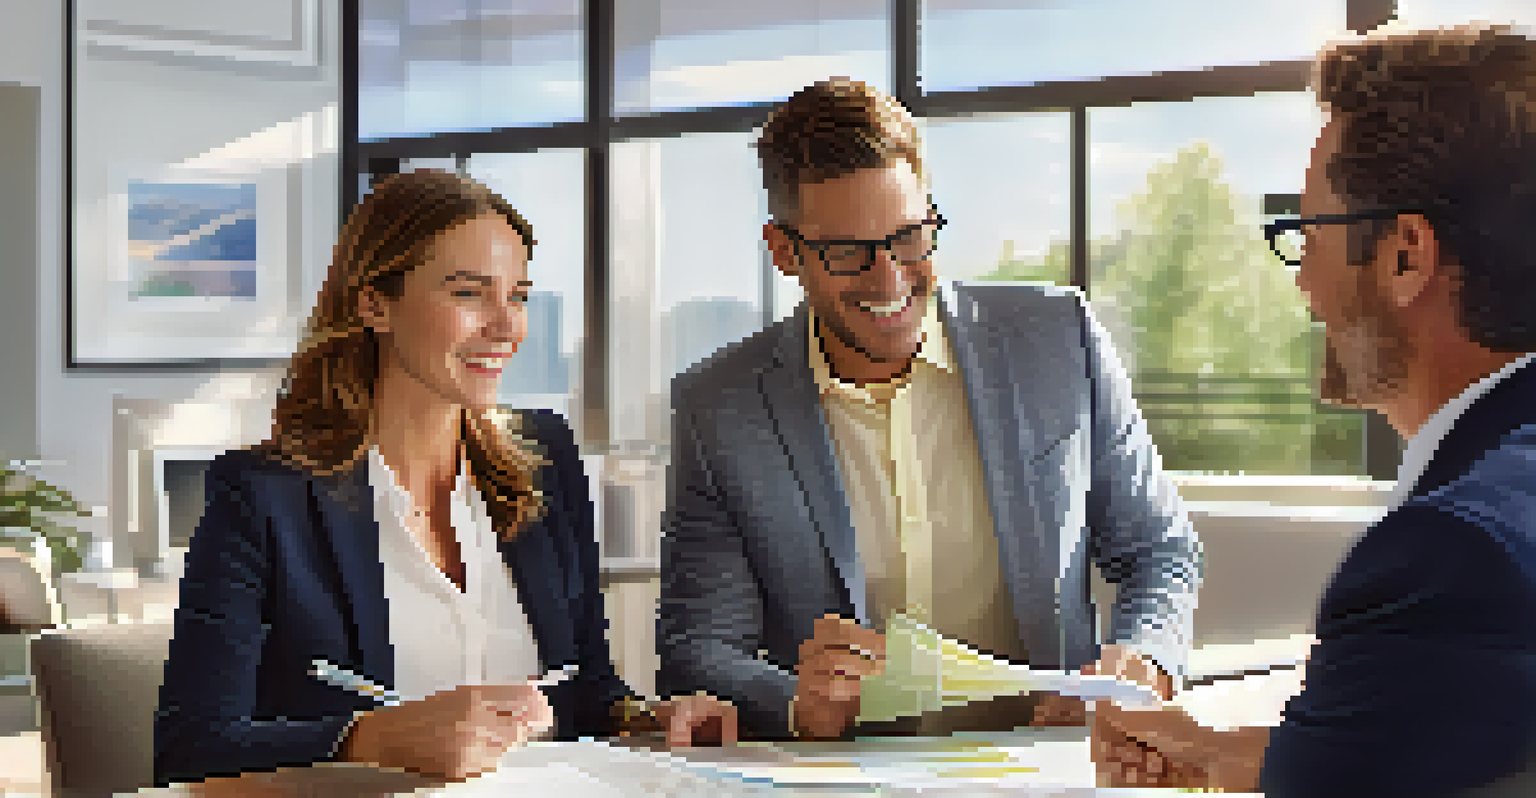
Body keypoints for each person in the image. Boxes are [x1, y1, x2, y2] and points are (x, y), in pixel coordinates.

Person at [658, 78, 1202, 742]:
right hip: (849, 780)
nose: (889, 279)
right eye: (847, 253)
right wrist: (798, 703)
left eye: (910, 236)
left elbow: (1158, 549)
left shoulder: (1059, 339)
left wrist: (1142, 659)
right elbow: (700, 644)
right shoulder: (719, 406)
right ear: (783, 252)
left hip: (1047, 767)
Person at [154, 169, 736, 786]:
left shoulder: (547, 458)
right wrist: (368, 737)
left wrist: (648, 717)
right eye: (469, 294)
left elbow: (583, 687)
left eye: (517, 296)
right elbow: (190, 747)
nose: (507, 327)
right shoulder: (262, 495)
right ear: (375, 304)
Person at [1093, 23, 1536, 796]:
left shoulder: (1449, 560)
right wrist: (1222, 753)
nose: (1305, 286)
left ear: (1406, 255)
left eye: (1309, 235)